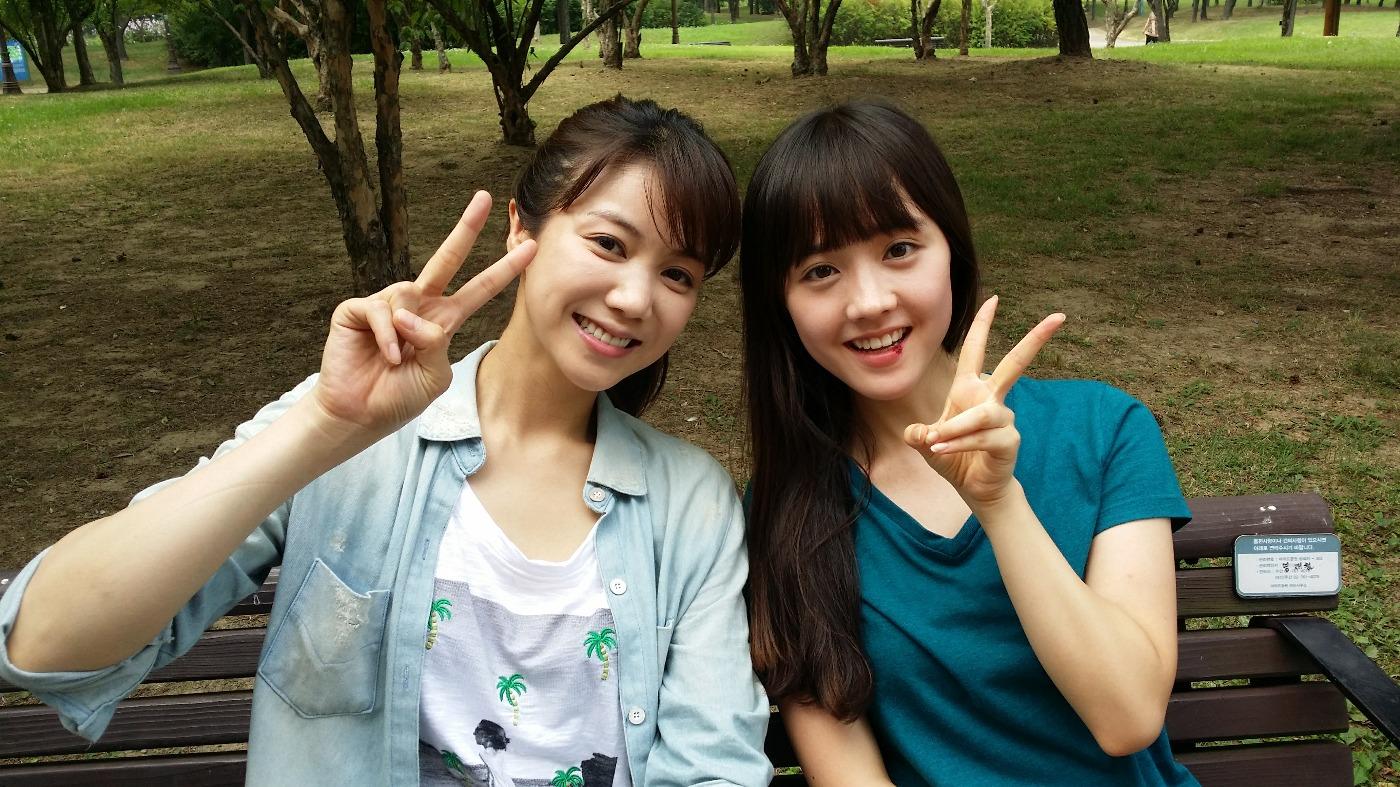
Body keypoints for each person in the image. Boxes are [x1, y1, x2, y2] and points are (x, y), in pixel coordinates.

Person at [0, 96, 771, 786]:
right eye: (608, 243)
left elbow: (716, 765)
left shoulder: (690, 504)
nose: (635, 297)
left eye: (678, 275)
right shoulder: (354, 439)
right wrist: (324, 426)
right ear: (520, 229)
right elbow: (45, 645)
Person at [739, 101, 1198, 786]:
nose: (869, 302)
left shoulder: (1103, 428)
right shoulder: (787, 505)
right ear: (782, 303)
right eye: (820, 271)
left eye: (898, 249)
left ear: (951, 248)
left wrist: (999, 505)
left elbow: (1128, 715)